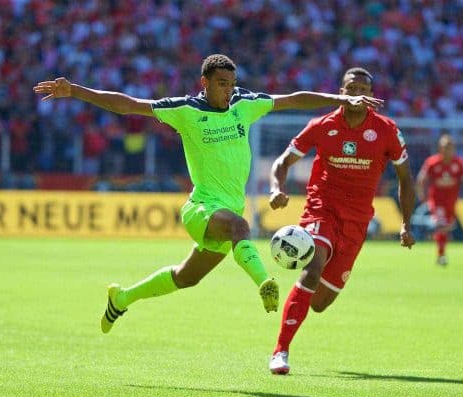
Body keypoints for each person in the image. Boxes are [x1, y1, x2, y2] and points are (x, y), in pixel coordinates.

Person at [33, 54, 384, 334]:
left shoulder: (244, 104)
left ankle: (122, 298)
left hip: (227, 209)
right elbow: (128, 105)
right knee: (240, 229)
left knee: (187, 277)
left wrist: (340, 98)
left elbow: (293, 99)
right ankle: (266, 283)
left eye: (231, 84)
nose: (228, 90)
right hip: (201, 207)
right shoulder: (186, 110)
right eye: (221, 84)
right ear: (204, 82)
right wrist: (75, 91)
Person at [267, 67, 416, 375]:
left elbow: (405, 177)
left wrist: (406, 223)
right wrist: (276, 188)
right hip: (322, 211)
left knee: (320, 303)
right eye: (351, 88)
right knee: (312, 267)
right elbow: (283, 162)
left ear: (373, 96)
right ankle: (280, 351)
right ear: (340, 91)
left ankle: (300, 309)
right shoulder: (321, 125)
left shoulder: (387, 130)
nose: (358, 93)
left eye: (364, 88)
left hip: (357, 223)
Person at [416, 134, 463, 266]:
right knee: (441, 224)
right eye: (445, 147)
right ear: (440, 148)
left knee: (447, 226)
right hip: (436, 200)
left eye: (450, 147)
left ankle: (439, 240)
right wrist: (421, 195)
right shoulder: (432, 162)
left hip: (452, 201)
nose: (448, 150)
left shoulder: (459, 163)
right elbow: (421, 179)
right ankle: (441, 255)